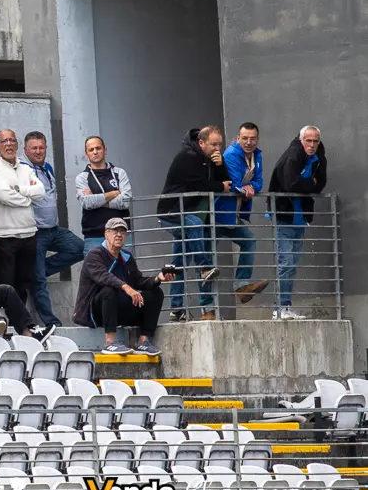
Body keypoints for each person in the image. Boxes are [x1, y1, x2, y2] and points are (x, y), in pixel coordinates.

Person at [158, 126, 232, 322]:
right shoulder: (188, 157)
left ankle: (176, 309)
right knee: (195, 224)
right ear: (201, 143)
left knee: (178, 262)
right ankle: (204, 267)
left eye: (220, 145)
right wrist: (220, 186)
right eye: (213, 144)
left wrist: (220, 165)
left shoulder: (208, 159)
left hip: (187, 213)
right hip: (171, 212)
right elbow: (198, 185)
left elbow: (227, 183)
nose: (217, 149)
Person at [73, 218, 177, 355]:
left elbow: (138, 281)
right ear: (106, 234)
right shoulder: (95, 255)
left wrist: (158, 278)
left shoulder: (126, 256)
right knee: (109, 289)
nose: (119, 235)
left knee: (155, 292)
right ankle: (110, 343)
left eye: (122, 232)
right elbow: (104, 277)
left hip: (118, 310)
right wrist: (127, 288)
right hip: (96, 312)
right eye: (115, 231)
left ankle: (144, 342)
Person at [20, 131, 82, 329]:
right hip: (35, 232)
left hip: (53, 229)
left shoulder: (47, 168)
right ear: (25, 149)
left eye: (42, 147)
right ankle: (52, 323)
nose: (39, 151)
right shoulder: (21, 169)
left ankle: (34, 274)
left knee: (80, 248)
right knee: (39, 282)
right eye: (34, 148)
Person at [268, 125, 328, 320]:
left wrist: (309, 185)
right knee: (285, 262)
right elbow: (290, 184)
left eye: (315, 141)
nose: (312, 145)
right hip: (283, 215)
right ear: (301, 140)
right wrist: (310, 183)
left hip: (300, 217)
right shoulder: (293, 156)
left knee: (292, 264)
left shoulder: (319, 157)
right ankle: (279, 309)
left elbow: (320, 184)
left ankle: (285, 306)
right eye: (308, 141)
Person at [0, 128, 43, 303]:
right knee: (5, 285)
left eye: (12, 140)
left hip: (29, 233)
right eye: (4, 141)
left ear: (17, 145)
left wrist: (19, 189)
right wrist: (28, 199)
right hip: (5, 236)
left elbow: (40, 191)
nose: (8, 144)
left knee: (23, 284)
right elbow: (4, 196)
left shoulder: (26, 168)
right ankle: (2, 318)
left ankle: (19, 318)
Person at [219, 122, 269, 304]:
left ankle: (241, 286)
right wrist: (245, 187)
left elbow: (259, 181)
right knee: (205, 259)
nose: (249, 142)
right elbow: (234, 183)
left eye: (252, 138)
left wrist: (251, 187)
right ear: (238, 138)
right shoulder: (231, 155)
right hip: (220, 213)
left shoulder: (257, 155)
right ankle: (205, 308)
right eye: (245, 138)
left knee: (249, 240)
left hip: (234, 213)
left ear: (257, 139)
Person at [74, 136, 132, 253]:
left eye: (98, 148)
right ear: (86, 154)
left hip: (120, 233)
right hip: (94, 236)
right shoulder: (82, 178)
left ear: (105, 150)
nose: (95, 152)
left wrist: (97, 199)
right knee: (95, 266)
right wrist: (113, 193)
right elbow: (87, 203)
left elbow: (126, 201)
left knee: (125, 265)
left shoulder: (119, 173)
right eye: (91, 150)